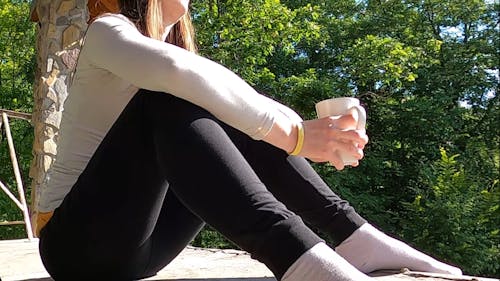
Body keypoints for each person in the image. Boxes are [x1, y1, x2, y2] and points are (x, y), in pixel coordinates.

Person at [35, 0, 462, 280]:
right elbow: (174, 72)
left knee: (220, 107)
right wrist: (296, 134)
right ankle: (298, 257)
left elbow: (211, 89)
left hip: (143, 250)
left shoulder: (167, 57)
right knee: (168, 99)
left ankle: (354, 236)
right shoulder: (106, 30)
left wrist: (309, 133)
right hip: (74, 249)